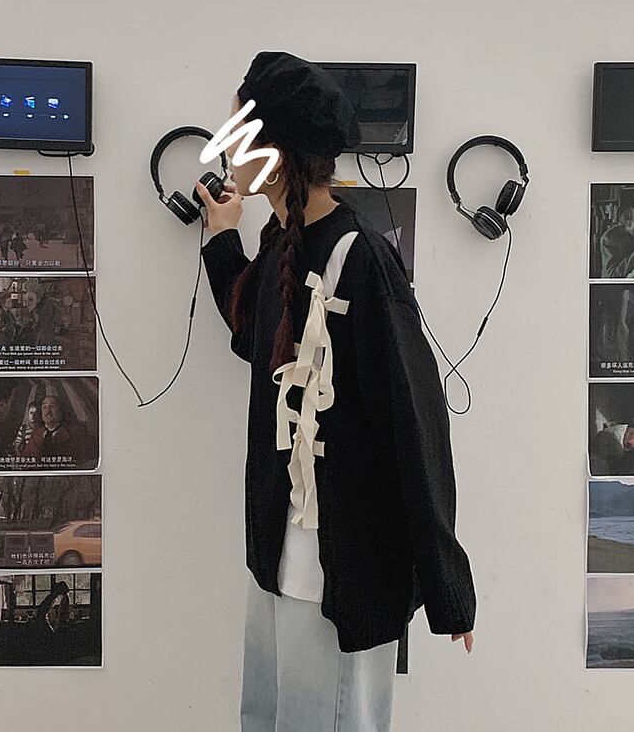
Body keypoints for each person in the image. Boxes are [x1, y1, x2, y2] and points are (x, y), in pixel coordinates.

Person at [196, 51, 476, 732]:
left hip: (342, 561)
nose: (226, 148)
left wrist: (447, 587)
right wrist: (223, 240)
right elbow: (255, 337)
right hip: (279, 551)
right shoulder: (283, 244)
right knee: (267, 714)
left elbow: (416, 420)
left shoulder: (362, 257)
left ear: (277, 153)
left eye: (237, 133)